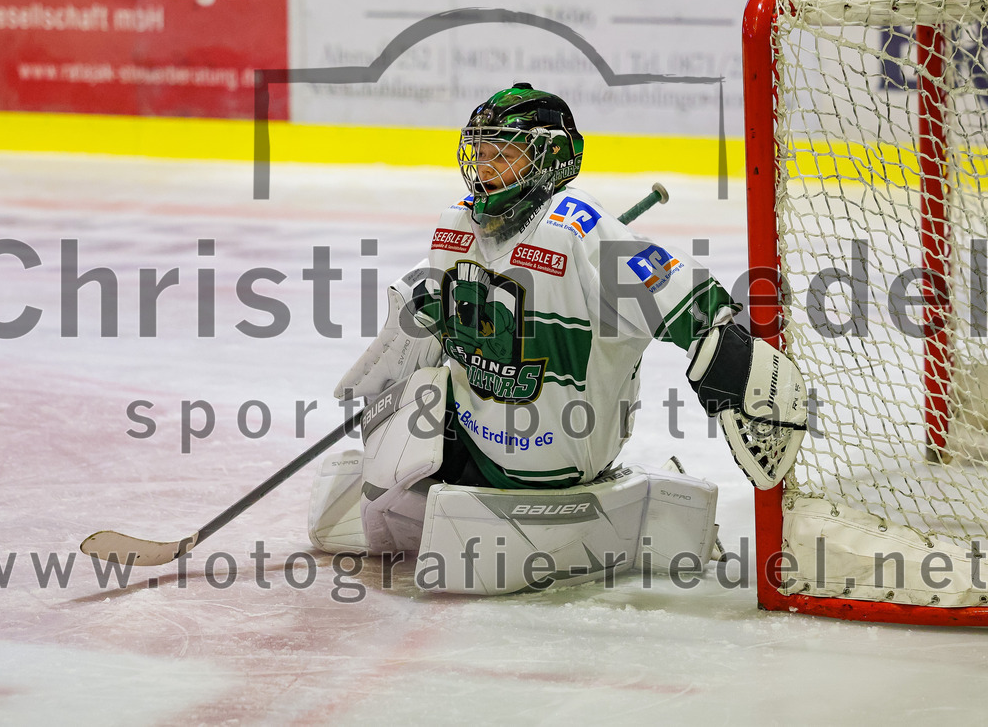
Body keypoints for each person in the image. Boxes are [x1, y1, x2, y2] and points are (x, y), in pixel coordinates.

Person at [309, 83, 807, 594]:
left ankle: (630, 506)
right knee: (400, 434)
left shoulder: (577, 230)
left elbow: (689, 301)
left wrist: (728, 359)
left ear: (552, 158)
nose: (483, 167)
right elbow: (431, 306)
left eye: (502, 153)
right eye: (479, 152)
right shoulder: (454, 225)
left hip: (557, 454)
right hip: (477, 436)